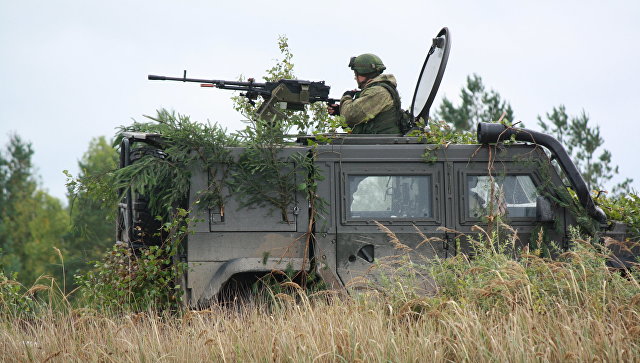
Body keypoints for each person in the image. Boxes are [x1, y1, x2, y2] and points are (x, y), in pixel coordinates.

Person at [328, 53, 402, 134]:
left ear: (363, 73)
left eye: (356, 74)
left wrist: (346, 97)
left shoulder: (378, 91)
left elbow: (350, 116)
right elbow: (361, 119)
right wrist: (340, 111)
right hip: (378, 143)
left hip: (380, 144)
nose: (355, 78)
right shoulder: (379, 89)